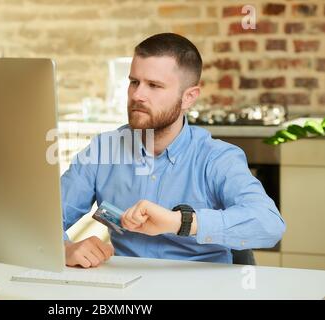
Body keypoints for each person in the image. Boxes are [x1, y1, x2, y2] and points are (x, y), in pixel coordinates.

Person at [61, 33, 286, 268]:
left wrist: (180, 222)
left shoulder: (217, 157)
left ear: (189, 97)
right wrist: (65, 249)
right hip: (129, 294)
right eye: (134, 82)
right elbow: (42, 221)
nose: (138, 95)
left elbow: (269, 224)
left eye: (154, 86)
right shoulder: (102, 150)